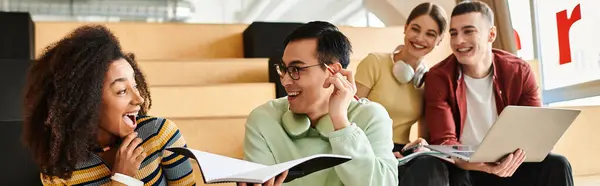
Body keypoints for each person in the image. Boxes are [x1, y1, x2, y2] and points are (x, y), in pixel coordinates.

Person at [22, 25, 196, 186]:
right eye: (121, 90)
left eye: (135, 86)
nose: (139, 99)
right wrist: (122, 180)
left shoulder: (160, 135)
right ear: (87, 102)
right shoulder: (58, 172)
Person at [424, 1, 573, 186]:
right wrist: (483, 166)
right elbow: (445, 143)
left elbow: (535, 133)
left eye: (468, 31)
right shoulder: (438, 77)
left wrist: (513, 159)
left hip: (510, 165)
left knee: (558, 164)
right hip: (466, 168)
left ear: (491, 34)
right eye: (453, 33)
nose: (458, 41)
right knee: (452, 173)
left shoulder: (519, 71)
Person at [240, 21, 398, 186]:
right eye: (284, 69)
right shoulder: (264, 119)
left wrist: (341, 123)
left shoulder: (371, 116)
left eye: (296, 69)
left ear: (333, 71)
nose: (285, 81)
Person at [355, 2, 449, 185]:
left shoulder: (428, 81)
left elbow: (423, 135)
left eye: (430, 34)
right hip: (367, 146)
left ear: (439, 40)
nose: (420, 38)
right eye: (415, 29)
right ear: (405, 28)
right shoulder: (374, 62)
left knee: (433, 164)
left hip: (401, 152)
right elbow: (351, 116)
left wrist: (418, 145)